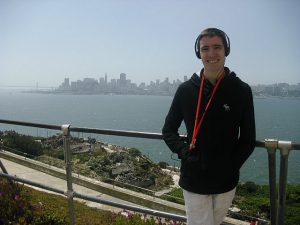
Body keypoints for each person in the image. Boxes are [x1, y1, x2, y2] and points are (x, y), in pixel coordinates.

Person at [162, 28, 256, 225]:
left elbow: (248, 139)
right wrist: (184, 152)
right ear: (199, 53)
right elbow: (168, 130)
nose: (211, 54)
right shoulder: (186, 90)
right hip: (193, 177)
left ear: (226, 50)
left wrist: (231, 165)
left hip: (226, 179)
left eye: (217, 47)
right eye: (205, 49)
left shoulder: (242, 90)